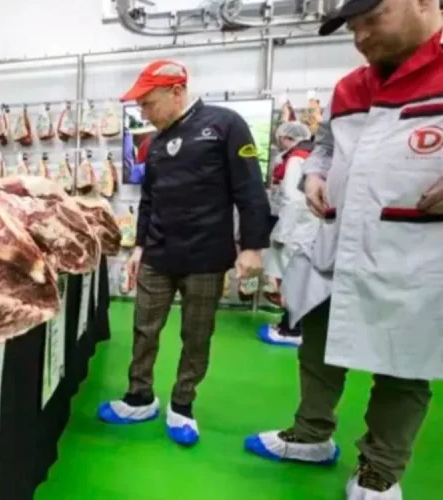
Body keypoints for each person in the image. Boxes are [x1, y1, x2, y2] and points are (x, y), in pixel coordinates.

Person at [245, 1, 443, 498]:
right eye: (353, 27)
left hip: (414, 250)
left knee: (403, 364)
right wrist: (314, 172)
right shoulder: (350, 87)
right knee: (318, 344)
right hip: (337, 244)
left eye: (373, 20)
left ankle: (380, 469)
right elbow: (327, 146)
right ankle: (311, 434)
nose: (360, 36)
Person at [96, 59, 270, 447]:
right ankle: (139, 396)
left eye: (148, 103)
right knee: (143, 329)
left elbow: (249, 189)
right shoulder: (154, 143)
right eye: (140, 106)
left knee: (197, 336)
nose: (144, 112)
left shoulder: (225, 125)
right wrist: (139, 246)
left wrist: (253, 247)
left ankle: (182, 404)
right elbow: (148, 201)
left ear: (176, 92)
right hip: (159, 254)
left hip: (206, 258)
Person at [258, 121, 317, 347]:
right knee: (298, 279)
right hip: (305, 227)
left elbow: (292, 200)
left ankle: (292, 330)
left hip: (296, 229)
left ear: (285, 137)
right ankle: (290, 326)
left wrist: (281, 234)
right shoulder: (308, 155)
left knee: (292, 280)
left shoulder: (295, 159)